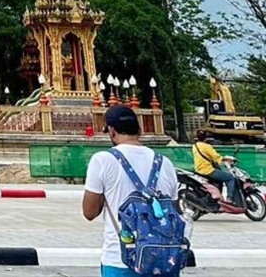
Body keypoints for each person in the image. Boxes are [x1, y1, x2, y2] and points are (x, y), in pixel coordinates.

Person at [83, 105, 178, 277]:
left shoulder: (103, 160)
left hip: (121, 260)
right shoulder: (165, 163)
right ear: (139, 130)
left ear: (111, 131)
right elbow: (173, 211)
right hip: (164, 260)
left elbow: (89, 212)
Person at [192, 129, 238, 204]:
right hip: (208, 170)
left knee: (219, 180)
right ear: (206, 137)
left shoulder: (195, 146)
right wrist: (229, 159)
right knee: (230, 178)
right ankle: (229, 198)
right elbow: (217, 157)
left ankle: (218, 198)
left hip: (198, 169)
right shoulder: (207, 146)